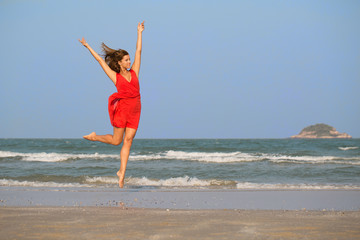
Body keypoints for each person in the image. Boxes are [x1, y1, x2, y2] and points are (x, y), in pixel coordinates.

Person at [78, 21, 145, 188]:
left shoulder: (135, 71)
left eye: (130, 60)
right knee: (117, 141)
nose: (130, 62)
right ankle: (95, 137)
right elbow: (101, 62)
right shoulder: (116, 77)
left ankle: (122, 172)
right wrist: (88, 46)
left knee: (128, 140)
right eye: (127, 60)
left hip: (136, 109)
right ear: (120, 63)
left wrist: (139, 32)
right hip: (122, 110)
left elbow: (139, 51)